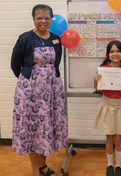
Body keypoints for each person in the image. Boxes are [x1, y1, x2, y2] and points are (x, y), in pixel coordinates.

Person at [11, 4, 68, 176]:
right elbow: (15, 64)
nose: (43, 21)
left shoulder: (57, 38)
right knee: (33, 129)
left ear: (51, 19)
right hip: (30, 93)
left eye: (46, 18)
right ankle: (36, 171)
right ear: (33, 19)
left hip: (52, 91)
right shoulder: (25, 38)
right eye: (39, 18)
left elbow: (56, 63)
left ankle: (43, 166)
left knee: (46, 127)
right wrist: (29, 83)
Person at [93, 40, 121, 176]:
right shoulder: (103, 68)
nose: (115, 54)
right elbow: (97, 89)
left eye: (118, 51)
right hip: (107, 104)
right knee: (109, 137)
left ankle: (118, 166)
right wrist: (96, 80)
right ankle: (109, 165)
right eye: (112, 51)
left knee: (118, 138)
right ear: (108, 54)